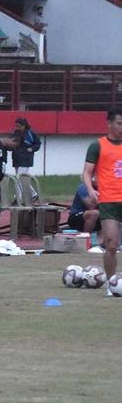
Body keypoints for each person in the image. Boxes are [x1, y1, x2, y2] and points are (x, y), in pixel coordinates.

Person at [80, 107, 122, 288]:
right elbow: (87, 172)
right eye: (120, 123)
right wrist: (90, 189)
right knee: (111, 244)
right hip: (109, 200)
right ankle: (111, 285)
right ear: (109, 124)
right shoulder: (97, 145)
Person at [10, 117, 41, 204]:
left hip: (26, 159)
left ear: (24, 126)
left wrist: (31, 149)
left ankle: (18, 198)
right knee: (20, 178)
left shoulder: (31, 133)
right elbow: (10, 142)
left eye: (19, 126)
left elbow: (37, 144)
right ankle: (34, 194)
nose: (17, 128)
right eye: (16, 126)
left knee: (19, 177)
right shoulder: (14, 133)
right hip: (16, 158)